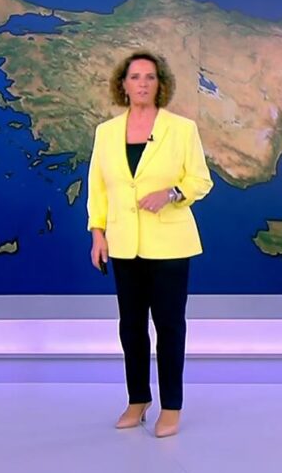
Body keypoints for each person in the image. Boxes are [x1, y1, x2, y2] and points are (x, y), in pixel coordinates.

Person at [86, 51, 213, 438]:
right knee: (131, 327)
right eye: (135, 77)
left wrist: (171, 193)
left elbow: (200, 180)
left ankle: (171, 407)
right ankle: (137, 399)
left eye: (150, 77)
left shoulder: (182, 129)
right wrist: (97, 233)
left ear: (161, 84)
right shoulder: (106, 133)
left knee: (170, 327)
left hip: (170, 246)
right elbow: (98, 188)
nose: (142, 83)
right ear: (123, 84)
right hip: (124, 244)